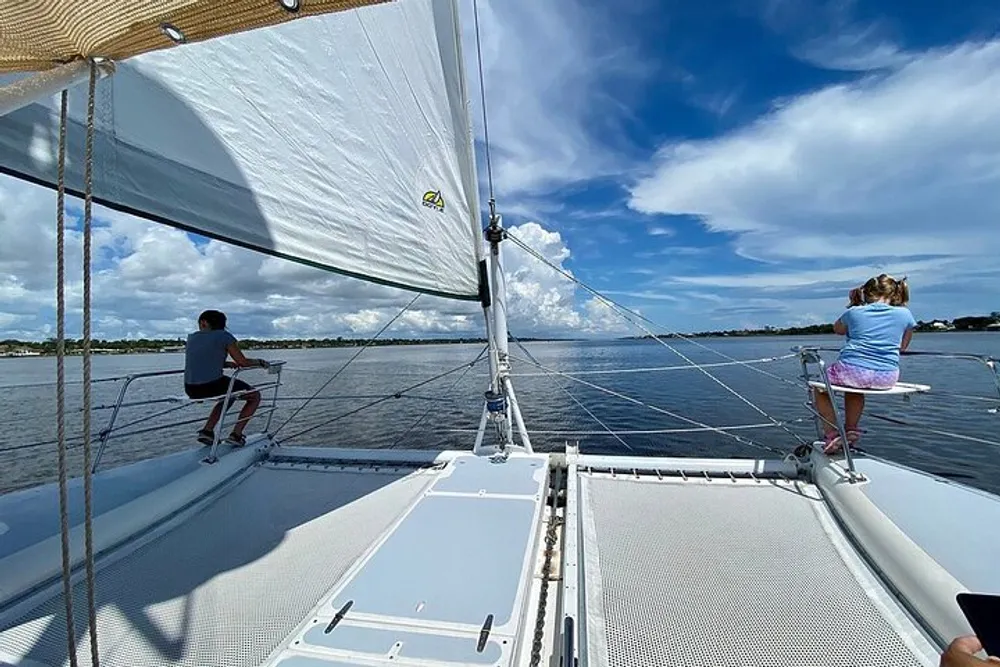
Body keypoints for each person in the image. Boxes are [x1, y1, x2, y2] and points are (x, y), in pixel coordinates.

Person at [814, 274, 916, 453]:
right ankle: (851, 429)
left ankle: (831, 434)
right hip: (887, 376)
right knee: (855, 390)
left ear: (864, 293)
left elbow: (837, 329)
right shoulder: (905, 314)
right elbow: (903, 346)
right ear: (894, 294)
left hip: (851, 371)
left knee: (820, 388)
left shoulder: (854, 312)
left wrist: (854, 305)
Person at [184, 310, 268, 447]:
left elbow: (201, 360)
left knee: (229, 395)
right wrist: (260, 362)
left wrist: (225, 363)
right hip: (211, 385)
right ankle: (236, 435)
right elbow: (242, 362)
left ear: (204, 323)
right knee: (254, 396)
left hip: (191, 388)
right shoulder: (224, 336)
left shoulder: (192, 338)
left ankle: (207, 431)